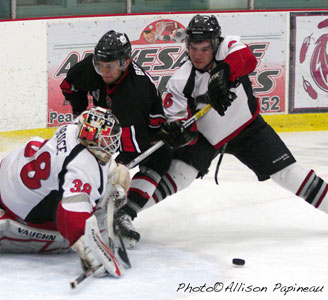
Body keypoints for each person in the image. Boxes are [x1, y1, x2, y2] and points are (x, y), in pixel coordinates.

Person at [125, 14, 328, 241]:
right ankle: (125, 211)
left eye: (203, 49)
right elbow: (184, 128)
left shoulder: (228, 47)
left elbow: (247, 59)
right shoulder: (180, 81)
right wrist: (180, 134)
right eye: (192, 48)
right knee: (181, 174)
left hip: (248, 129)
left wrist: (223, 74)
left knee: (288, 174)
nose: (197, 55)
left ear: (214, 44)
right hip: (206, 136)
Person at [59, 30, 195, 247]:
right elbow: (69, 86)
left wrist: (111, 180)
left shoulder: (134, 92)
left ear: (125, 62)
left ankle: (123, 213)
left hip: (145, 129)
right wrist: (81, 112)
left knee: (160, 158)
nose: (103, 71)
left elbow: (130, 153)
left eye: (109, 66)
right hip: (109, 117)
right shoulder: (92, 68)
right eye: (100, 65)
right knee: (81, 150)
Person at [0, 107, 131, 278]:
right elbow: (69, 216)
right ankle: (1, 231)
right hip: (22, 204)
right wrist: (88, 250)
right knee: (65, 239)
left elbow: (88, 117)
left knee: (113, 174)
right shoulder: (82, 167)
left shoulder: (72, 129)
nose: (111, 144)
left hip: (12, 170)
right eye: (106, 140)